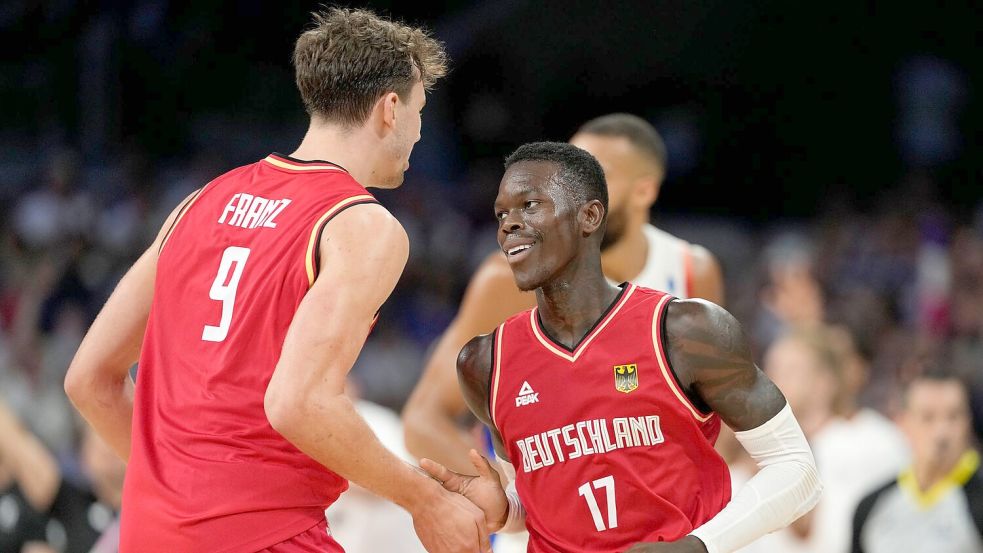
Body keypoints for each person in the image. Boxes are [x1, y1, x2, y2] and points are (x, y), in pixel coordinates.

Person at [64, 8, 490, 553]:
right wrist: (427, 500)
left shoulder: (199, 201)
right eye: (420, 109)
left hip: (149, 534)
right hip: (264, 534)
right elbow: (297, 403)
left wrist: (178, 493)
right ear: (389, 109)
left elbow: (88, 379)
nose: (418, 132)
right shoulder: (359, 223)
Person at [421, 142, 822, 553]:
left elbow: (797, 469)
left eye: (529, 205)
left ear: (590, 216)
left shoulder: (685, 329)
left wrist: (696, 545)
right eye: (501, 214)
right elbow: (550, 498)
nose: (509, 225)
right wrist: (506, 511)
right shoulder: (485, 363)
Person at [404, 113, 724, 476]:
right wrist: (515, 501)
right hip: (547, 527)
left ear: (644, 191)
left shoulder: (691, 272)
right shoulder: (511, 278)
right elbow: (424, 420)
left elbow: (723, 412)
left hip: (665, 523)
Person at [851, 368, 983, 553]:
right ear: (904, 423)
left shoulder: (976, 500)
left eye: (953, 417)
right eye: (928, 418)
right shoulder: (872, 506)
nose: (942, 432)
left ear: (968, 422)